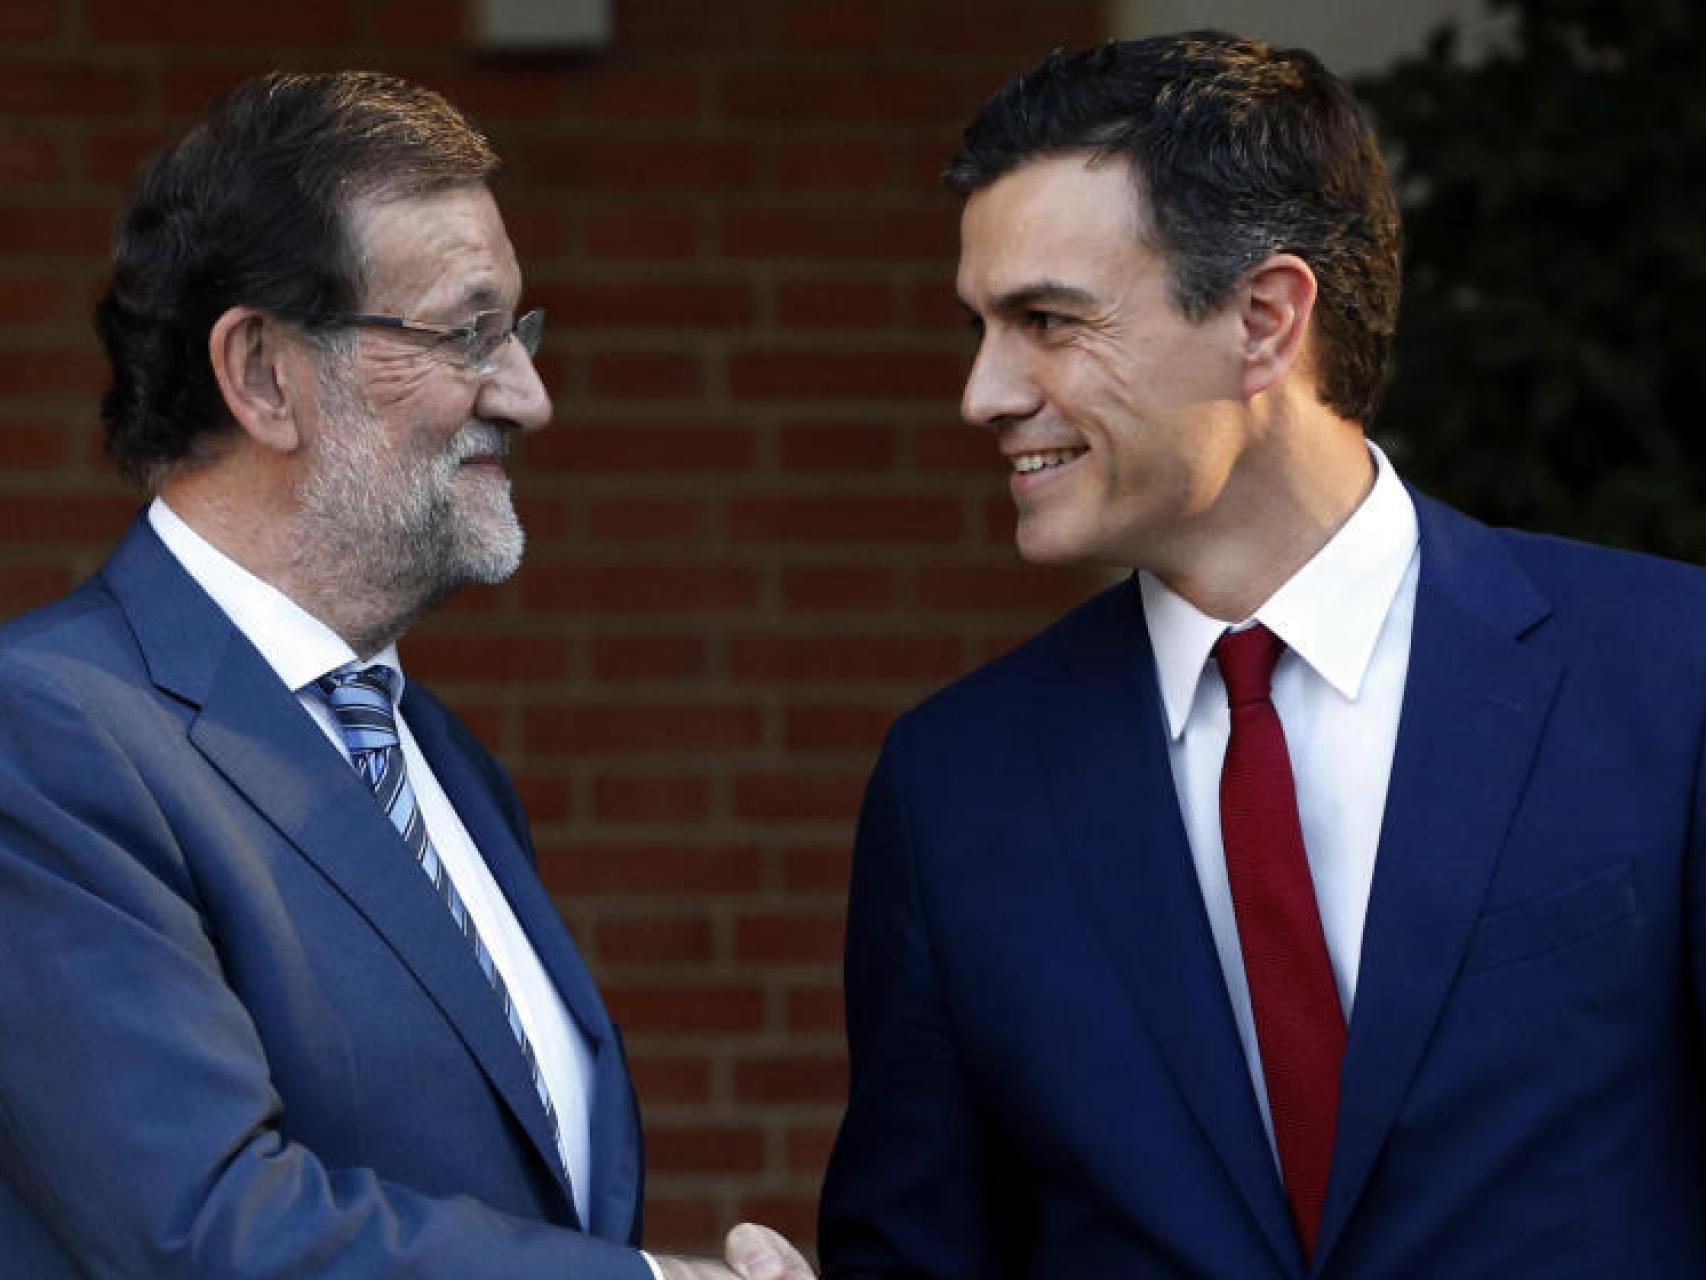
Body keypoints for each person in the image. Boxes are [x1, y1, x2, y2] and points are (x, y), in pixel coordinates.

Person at [819, 31, 1706, 1279]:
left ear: (1262, 319)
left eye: (1046, 321)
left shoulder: (1671, 678)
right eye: (979, 325)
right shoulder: (954, 784)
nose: (983, 391)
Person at [0, 70, 811, 1280]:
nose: (527, 395)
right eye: (466, 333)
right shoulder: (49, 732)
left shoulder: (436, 754)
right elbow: (206, 1231)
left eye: (518, 331)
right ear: (265, 373)